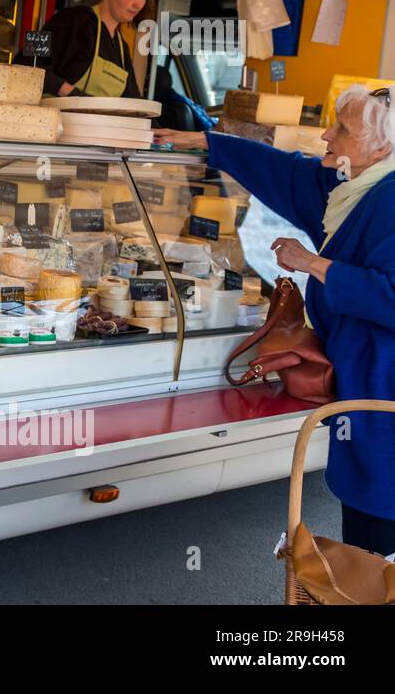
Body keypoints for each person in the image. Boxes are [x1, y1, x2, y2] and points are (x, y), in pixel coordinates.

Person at [155, 86, 395, 555]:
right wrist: (208, 142)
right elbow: (289, 173)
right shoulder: (352, 186)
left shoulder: (389, 200)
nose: (327, 134)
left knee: (379, 522)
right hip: (363, 382)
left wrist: (314, 264)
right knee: (364, 515)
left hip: (385, 388)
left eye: (343, 129)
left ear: (382, 146)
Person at [21, 0, 155, 98]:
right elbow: (27, 62)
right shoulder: (70, 19)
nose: (139, 5)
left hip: (93, 120)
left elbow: (132, 99)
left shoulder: (121, 47)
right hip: (55, 118)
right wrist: (73, 94)